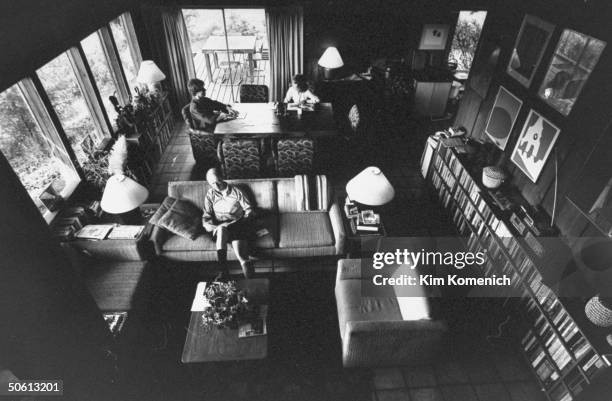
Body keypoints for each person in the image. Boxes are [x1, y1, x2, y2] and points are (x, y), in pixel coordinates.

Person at [202, 167, 255, 280]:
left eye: (217, 182)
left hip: (238, 225)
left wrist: (240, 221)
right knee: (221, 230)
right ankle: (224, 272)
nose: (216, 186)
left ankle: (252, 284)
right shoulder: (210, 194)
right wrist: (213, 227)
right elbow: (206, 217)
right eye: (212, 183)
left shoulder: (237, 191)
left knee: (242, 256)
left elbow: (249, 210)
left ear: (222, 178)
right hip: (220, 227)